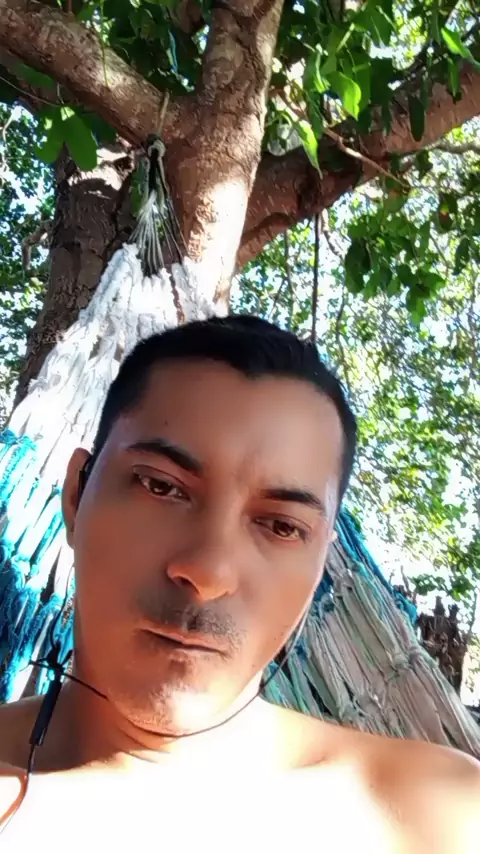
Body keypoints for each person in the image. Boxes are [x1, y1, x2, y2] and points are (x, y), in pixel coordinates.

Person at [0, 314, 478, 851]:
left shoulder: (440, 815)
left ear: (322, 562)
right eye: (161, 487)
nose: (208, 573)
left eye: (281, 526)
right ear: (75, 495)